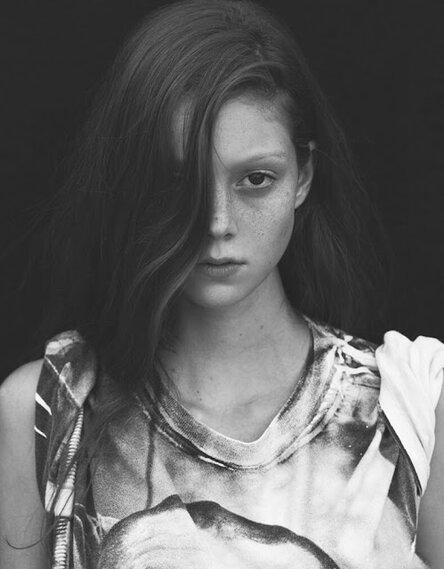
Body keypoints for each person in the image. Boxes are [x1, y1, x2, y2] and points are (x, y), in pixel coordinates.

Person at [0, 0, 443, 568]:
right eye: (180, 182)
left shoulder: (410, 411)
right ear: (139, 185)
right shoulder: (50, 409)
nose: (216, 222)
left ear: (303, 177)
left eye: (256, 179)